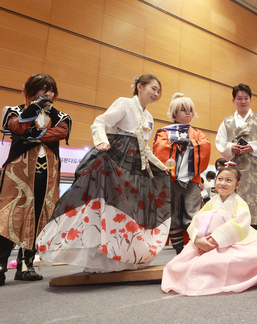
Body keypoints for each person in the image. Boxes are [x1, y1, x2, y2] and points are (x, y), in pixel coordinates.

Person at [36, 75, 171, 273]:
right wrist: (101, 141)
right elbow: (99, 122)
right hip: (112, 160)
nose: (156, 94)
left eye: (159, 91)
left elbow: (145, 148)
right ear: (139, 87)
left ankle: (122, 258)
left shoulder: (149, 117)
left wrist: (160, 166)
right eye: (153, 88)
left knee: (126, 211)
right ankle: (97, 260)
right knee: (105, 208)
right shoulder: (124, 104)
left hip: (132, 168)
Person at [161, 162, 257, 296]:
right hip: (205, 242)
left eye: (229, 180)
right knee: (176, 265)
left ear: (238, 185)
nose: (223, 183)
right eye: (220, 179)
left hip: (229, 242)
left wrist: (216, 239)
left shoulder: (239, 203)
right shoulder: (212, 202)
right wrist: (197, 240)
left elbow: (241, 223)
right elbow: (195, 221)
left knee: (230, 261)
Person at [0, 74, 71, 285]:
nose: (47, 93)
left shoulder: (62, 116)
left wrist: (31, 135)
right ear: (31, 92)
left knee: (40, 215)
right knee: (9, 214)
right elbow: (16, 127)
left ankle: (26, 266)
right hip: (17, 173)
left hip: (47, 174)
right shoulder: (13, 110)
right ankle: (0, 264)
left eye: (50, 90)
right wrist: (32, 111)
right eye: (42, 89)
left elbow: (60, 132)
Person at [153, 93, 211, 255]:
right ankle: (179, 251)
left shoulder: (197, 133)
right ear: (174, 114)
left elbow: (205, 146)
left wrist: (191, 143)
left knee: (193, 216)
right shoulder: (164, 132)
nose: (188, 113)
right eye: (183, 110)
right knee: (174, 217)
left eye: (190, 110)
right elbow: (159, 150)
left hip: (192, 181)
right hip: (170, 182)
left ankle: (194, 250)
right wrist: (178, 147)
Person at [215, 84, 257, 236]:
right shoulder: (227, 122)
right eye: (239, 98)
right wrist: (231, 147)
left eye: (246, 98)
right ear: (233, 100)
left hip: (256, 171)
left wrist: (252, 147)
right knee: (236, 204)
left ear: (250, 100)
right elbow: (220, 142)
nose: (243, 102)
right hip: (235, 169)